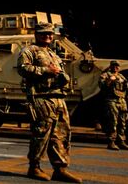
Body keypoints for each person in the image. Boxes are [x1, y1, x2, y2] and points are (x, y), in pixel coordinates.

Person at [18, 23, 82, 183]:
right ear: (36, 34)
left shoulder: (53, 54)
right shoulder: (29, 51)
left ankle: (60, 169)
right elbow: (22, 69)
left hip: (58, 98)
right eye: (44, 33)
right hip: (41, 97)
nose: (48, 36)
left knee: (61, 134)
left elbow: (60, 72)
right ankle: (34, 167)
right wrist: (47, 71)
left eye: (50, 33)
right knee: (41, 134)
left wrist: (64, 78)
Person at [99, 60, 128, 151]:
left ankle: (121, 141)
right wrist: (109, 80)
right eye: (114, 65)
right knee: (113, 121)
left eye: (118, 66)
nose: (116, 67)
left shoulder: (121, 76)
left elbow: (126, 87)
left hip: (122, 101)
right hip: (111, 100)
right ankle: (111, 142)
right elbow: (102, 86)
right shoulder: (105, 75)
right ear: (111, 66)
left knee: (122, 122)